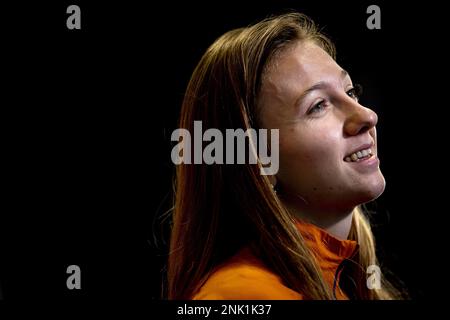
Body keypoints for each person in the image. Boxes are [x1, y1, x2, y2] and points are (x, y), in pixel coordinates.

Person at [167, 12, 403, 300]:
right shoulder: (241, 295)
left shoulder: (349, 284)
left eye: (350, 92)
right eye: (318, 106)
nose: (367, 115)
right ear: (259, 161)